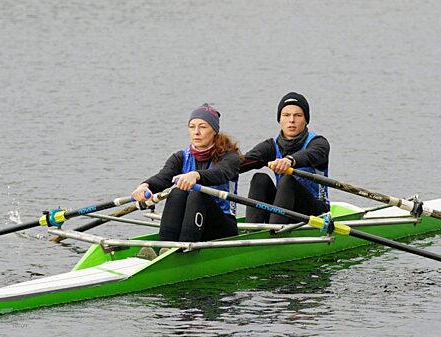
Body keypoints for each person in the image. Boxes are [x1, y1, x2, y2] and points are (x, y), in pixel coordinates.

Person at [132, 103, 242, 245]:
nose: (196, 132)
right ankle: (164, 245)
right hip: (194, 224)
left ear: (214, 130)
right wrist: (144, 186)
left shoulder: (230, 157)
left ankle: (183, 250)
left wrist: (195, 175)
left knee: (198, 194)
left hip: (223, 228)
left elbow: (219, 173)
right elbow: (163, 177)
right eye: (192, 127)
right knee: (177, 192)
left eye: (202, 127)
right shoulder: (180, 157)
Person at [240, 92, 330, 224]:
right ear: (279, 120)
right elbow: (241, 163)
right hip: (285, 208)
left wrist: (289, 160)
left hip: (316, 212)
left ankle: (275, 230)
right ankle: (252, 229)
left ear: (306, 120)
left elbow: (309, 155)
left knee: (288, 180)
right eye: (286, 115)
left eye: (298, 115)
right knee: (259, 179)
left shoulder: (318, 143)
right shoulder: (270, 146)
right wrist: (207, 172)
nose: (291, 120)